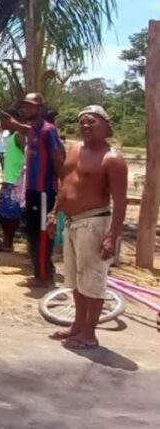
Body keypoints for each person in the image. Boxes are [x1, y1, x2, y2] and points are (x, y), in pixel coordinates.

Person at [47, 106, 127, 349]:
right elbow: (65, 185)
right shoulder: (74, 150)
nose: (86, 126)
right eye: (82, 121)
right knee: (76, 280)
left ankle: (89, 333)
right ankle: (77, 326)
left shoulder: (112, 159)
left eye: (92, 121)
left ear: (105, 125)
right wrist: (53, 213)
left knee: (93, 281)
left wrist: (112, 236)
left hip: (94, 223)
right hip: (71, 223)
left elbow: (121, 201)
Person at [0, 93, 65, 286]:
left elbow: (58, 161)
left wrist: (63, 187)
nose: (26, 109)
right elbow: (9, 120)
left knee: (42, 233)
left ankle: (44, 277)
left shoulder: (48, 131)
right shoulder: (32, 130)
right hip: (30, 190)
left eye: (31, 106)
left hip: (44, 191)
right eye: (25, 106)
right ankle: (40, 272)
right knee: (32, 232)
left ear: (40, 108)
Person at [0, 114, 26, 253]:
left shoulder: (19, 136)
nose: (1, 123)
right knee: (4, 213)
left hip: (15, 182)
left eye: (4, 120)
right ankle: (7, 242)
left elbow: (27, 154)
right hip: (10, 180)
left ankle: (8, 243)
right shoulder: (11, 136)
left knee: (9, 214)